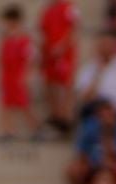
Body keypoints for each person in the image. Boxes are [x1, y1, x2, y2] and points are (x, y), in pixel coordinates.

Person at [0, 4, 36, 140]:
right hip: (6, 75)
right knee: (5, 103)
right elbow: (1, 57)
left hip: (18, 75)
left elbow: (30, 58)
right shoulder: (6, 38)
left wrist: (27, 75)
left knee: (24, 104)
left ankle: (34, 129)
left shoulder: (24, 39)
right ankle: (8, 131)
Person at [38, 0, 78, 132]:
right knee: (49, 83)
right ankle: (55, 114)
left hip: (64, 53)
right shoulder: (47, 10)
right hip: (49, 52)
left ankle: (65, 115)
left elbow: (73, 29)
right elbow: (43, 31)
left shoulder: (68, 7)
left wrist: (62, 45)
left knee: (64, 83)